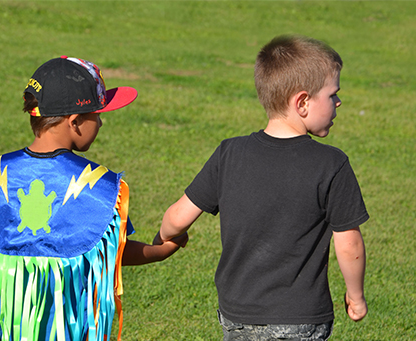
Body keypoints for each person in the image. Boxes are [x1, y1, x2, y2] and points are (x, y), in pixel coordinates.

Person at [0, 56, 187, 341]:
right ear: (75, 122)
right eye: (97, 115)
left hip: (3, 329)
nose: (101, 123)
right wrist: (161, 250)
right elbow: (115, 252)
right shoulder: (99, 187)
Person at [156, 35, 369, 340]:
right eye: (333, 94)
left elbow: (178, 216)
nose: (338, 102)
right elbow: (349, 245)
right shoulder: (331, 163)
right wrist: (356, 296)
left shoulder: (229, 153)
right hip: (301, 318)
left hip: (236, 315)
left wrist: (167, 235)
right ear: (303, 102)